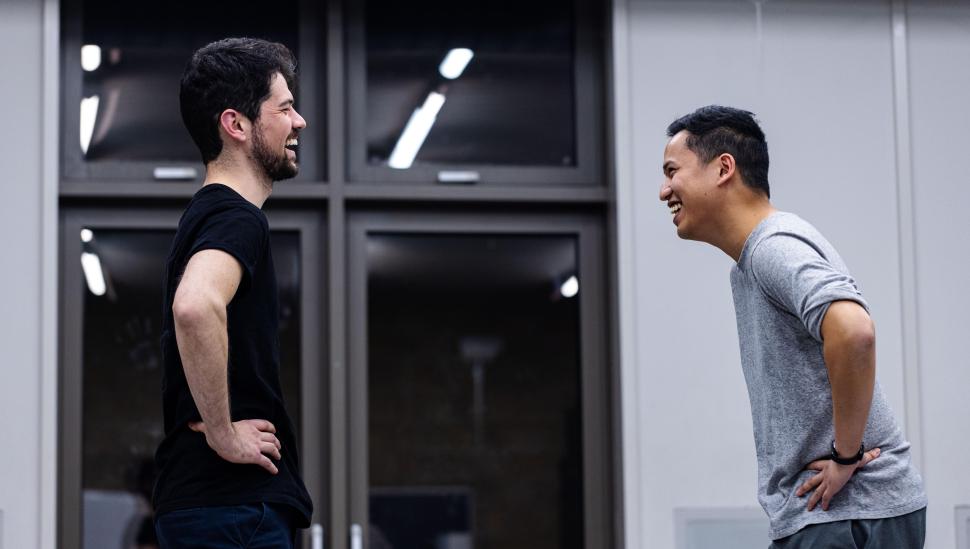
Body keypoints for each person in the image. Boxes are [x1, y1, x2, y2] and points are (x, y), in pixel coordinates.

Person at [658, 105, 927, 547]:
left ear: (724, 168)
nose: (664, 190)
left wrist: (846, 455)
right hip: (840, 514)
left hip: (843, 515)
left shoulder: (772, 248)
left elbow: (854, 331)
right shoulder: (752, 261)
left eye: (672, 171)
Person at [152, 37, 312, 548]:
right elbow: (195, 305)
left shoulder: (205, 215)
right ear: (236, 124)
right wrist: (224, 433)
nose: (299, 122)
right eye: (285, 108)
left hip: (214, 507)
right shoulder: (237, 217)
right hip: (235, 511)